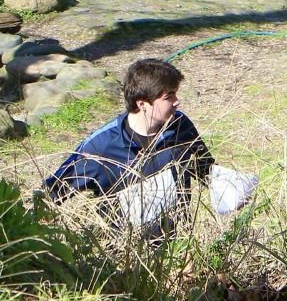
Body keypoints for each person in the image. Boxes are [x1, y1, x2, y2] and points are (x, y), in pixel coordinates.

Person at [44, 59, 213, 213]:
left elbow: (209, 175)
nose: (177, 101)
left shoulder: (180, 126)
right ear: (142, 104)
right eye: (169, 96)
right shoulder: (99, 146)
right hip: (121, 243)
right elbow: (49, 196)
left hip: (177, 242)